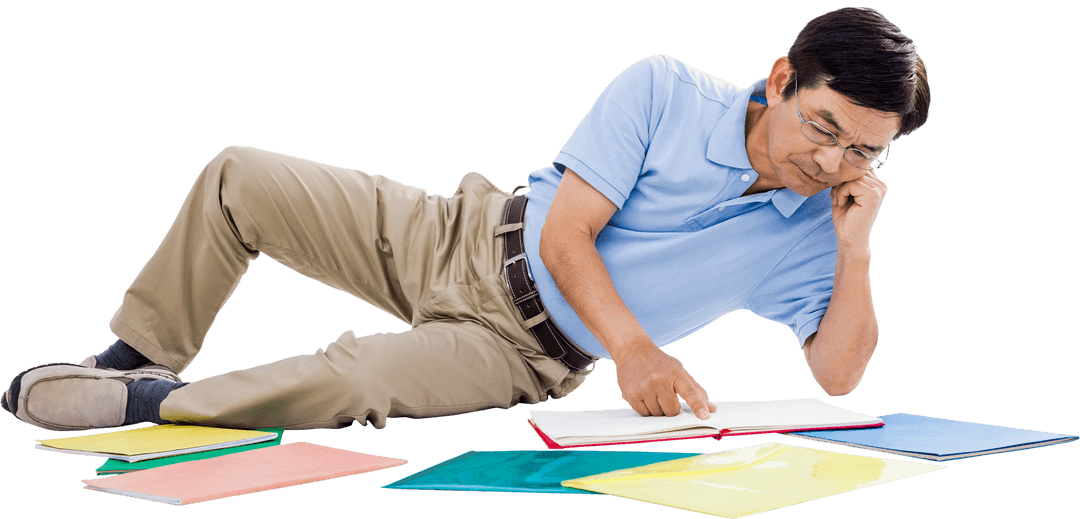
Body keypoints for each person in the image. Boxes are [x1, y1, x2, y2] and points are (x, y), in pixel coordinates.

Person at [3, 7, 928, 432]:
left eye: (864, 152)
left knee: (353, 378)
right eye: (825, 128)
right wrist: (639, 352)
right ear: (778, 82)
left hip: (522, 352)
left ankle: (152, 405)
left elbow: (839, 374)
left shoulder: (818, 227)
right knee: (240, 175)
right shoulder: (663, 89)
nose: (833, 162)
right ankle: (136, 353)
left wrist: (856, 246)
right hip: (462, 233)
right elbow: (566, 235)